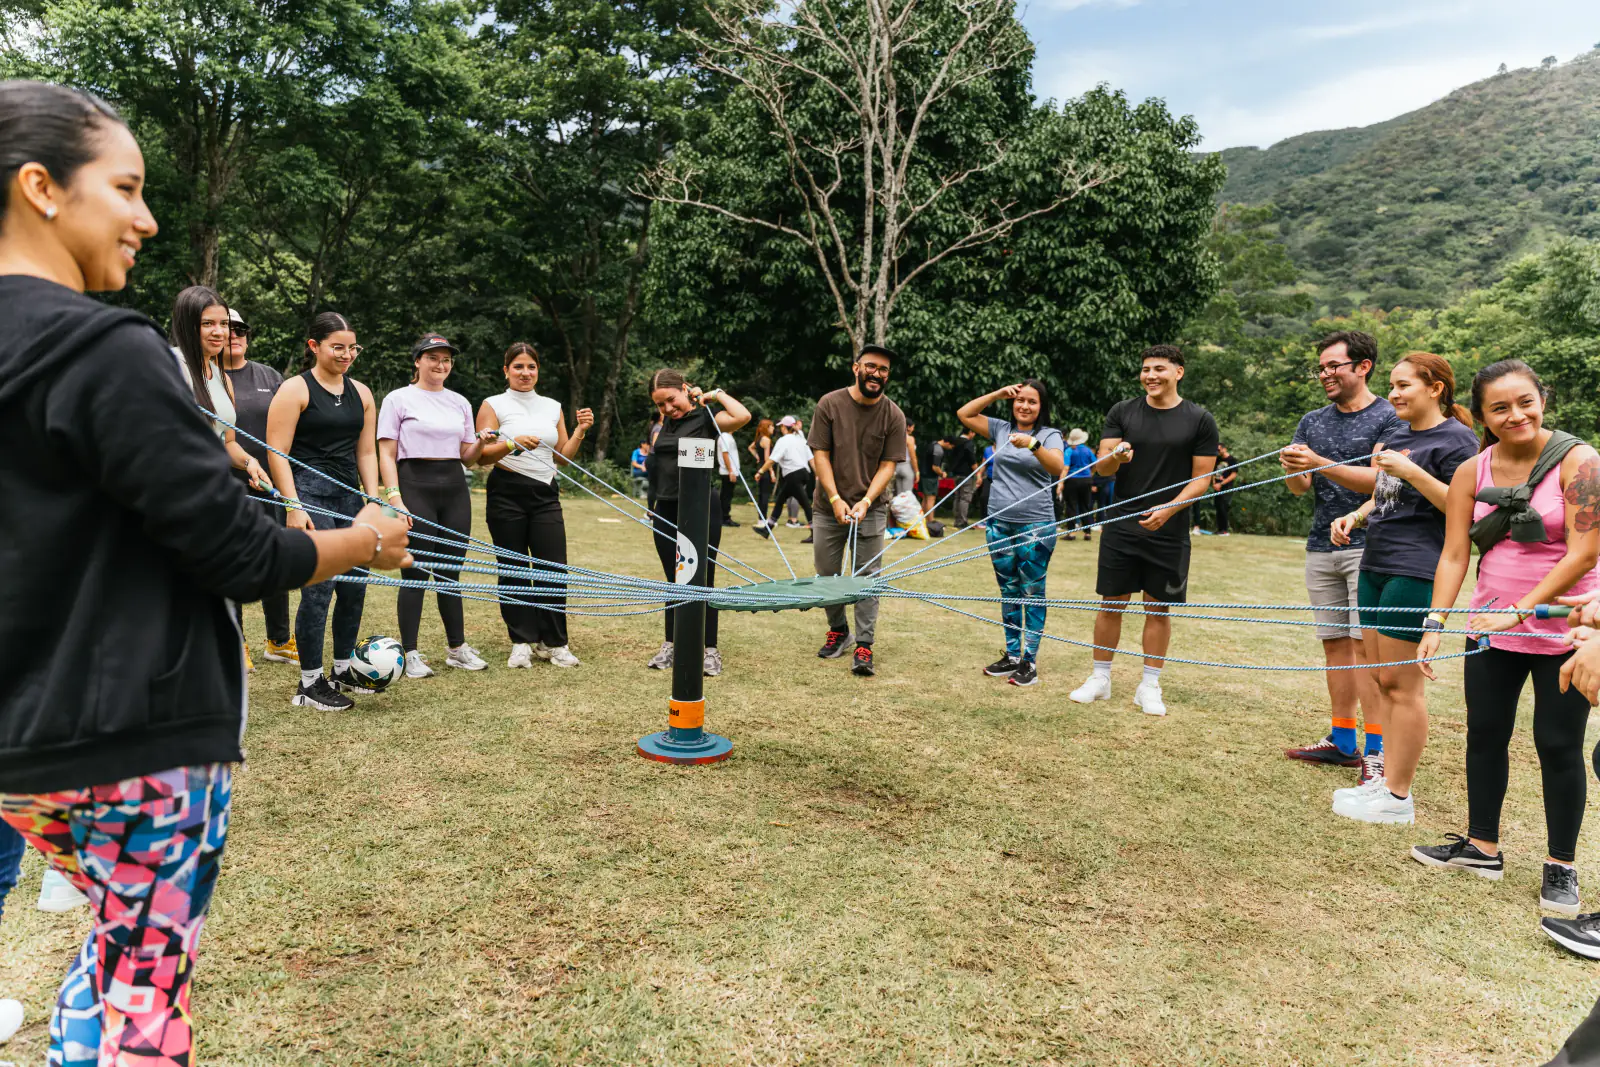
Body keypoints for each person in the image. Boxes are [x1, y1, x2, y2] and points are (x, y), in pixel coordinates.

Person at [0, 79, 410, 1066]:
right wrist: (365, 540)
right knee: (145, 997)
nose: (146, 218)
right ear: (41, 188)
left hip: (22, 749)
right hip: (130, 745)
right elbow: (237, 551)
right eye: (128, 187)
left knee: (113, 947)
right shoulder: (105, 347)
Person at [1409, 361, 1599, 914]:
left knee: (1558, 745)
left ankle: (1561, 866)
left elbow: (1586, 553)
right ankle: (1482, 845)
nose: (1515, 415)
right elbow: (1454, 553)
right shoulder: (1473, 469)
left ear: (1544, 399)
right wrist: (1435, 622)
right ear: (1484, 415)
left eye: (1525, 402)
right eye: (1500, 407)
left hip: (1566, 626)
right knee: (1485, 733)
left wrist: (1521, 611)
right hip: (1489, 626)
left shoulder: (1579, 462)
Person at [1327, 352, 1478, 825]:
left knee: (1402, 684)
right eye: (1391, 386)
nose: (1393, 394)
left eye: (1404, 385)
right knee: (1379, 678)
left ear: (1435, 388)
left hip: (1415, 569)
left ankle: (1399, 796)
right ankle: (1384, 783)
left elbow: (1464, 508)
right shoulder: (1395, 433)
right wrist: (1356, 514)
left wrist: (1412, 471)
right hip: (1376, 562)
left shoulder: (1459, 440)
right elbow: (1385, 493)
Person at [1068, 345, 1219, 717]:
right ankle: (1100, 678)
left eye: (1159, 369)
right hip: (1121, 522)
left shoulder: (1199, 419)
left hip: (1170, 526)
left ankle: (1149, 685)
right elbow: (1101, 469)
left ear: (1178, 372)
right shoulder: (1123, 411)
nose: (1150, 375)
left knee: (1158, 607)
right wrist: (1114, 458)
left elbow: (1203, 478)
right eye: (1146, 369)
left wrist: (1168, 510)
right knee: (1111, 603)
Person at [1280, 331, 1399, 779]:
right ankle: (1343, 740)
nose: (1325, 374)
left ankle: (1376, 751)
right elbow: (1301, 487)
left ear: (1363, 366)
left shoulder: (1389, 418)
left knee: (1363, 648)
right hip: (1319, 545)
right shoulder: (1313, 420)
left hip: (1369, 544)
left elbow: (1381, 483)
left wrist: (1316, 461)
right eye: (1322, 368)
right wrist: (1295, 470)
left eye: (1334, 366)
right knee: (1334, 646)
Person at [266, 311, 383, 711]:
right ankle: (309, 683)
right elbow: (276, 452)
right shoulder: (294, 390)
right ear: (314, 346)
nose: (347, 354)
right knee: (319, 590)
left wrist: (373, 499)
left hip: (351, 498)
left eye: (352, 347)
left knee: (354, 586)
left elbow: (366, 451)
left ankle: (343, 667)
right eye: (338, 347)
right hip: (311, 497)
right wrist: (292, 506)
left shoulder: (363, 394)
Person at [377, 333, 489, 678]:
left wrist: (482, 443)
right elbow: (385, 452)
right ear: (417, 361)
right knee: (415, 572)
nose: (441, 365)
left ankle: (456, 648)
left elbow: (467, 458)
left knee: (450, 572)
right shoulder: (398, 399)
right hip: (414, 486)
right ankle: (409, 653)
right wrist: (394, 497)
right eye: (433, 358)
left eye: (446, 360)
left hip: (454, 488)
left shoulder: (459, 402)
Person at [476, 342, 592, 670]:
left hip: (545, 493)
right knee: (513, 570)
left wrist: (581, 430)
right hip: (506, 491)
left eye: (531, 367)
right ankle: (521, 642)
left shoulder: (552, 406)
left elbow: (562, 458)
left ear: (538, 370)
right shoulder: (493, 405)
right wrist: (510, 444)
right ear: (506, 371)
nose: (525, 373)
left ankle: (554, 643)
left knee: (553, 569)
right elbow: (481, 456)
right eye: (518, 367)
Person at [958, 381, 1066, 687]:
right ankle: (1012, 655)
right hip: (998, 523)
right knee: (1008, 590)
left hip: (1036, 525)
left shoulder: (1049, 435)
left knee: (1031, 592)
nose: (1025, 406)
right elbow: (964, 414)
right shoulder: (1000, 429)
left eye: (1032, 402)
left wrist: (1032, 445)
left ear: (1041, 406)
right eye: (1020, 400)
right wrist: (996, 394)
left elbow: (1057, 466)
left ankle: (1030, 661)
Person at [810, 344, 908, 677]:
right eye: (871, 366)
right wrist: (836, 498)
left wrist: (866, 501)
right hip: (828, 507)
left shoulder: (894, 414)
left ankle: (864, 644)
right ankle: (839, 630)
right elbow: (820, 455)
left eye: (883, 370)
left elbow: (888, 464)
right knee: (826, 575)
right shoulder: (830, 404)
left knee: (867, 579)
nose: (877, 374)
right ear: (856, 368)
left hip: (872, 508)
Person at [644, 371, 750, 675]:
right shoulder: (664, 425)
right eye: (660, 404)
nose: (666, 408)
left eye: (671, 399)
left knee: (703, 577)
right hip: (665, 508)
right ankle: (671, 645)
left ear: (684, 390)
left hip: (702, 506)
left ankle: (709, 650)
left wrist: (713, 395)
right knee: (673, 580)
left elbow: (742, 416)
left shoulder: (706, 419)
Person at [221, 305, 297, 667]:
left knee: (273, 556)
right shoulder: (206, 378)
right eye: (227, 329)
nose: (235, 335)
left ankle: (279, 640)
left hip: (270, 484)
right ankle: (236, 643)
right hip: (224, 484)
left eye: (241, 330)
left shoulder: (269, 375)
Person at [755, 416, 814, 535]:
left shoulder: (783, 441)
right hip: (803, 473)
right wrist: (817, 474)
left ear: (784, 427)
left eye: (781, 426)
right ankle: (768, 529)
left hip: (793, 474)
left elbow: (772, 459)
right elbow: (811, 459)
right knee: (781, 499)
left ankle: (815, 532)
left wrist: (760, 471)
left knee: (805, 503)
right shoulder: (801, 440)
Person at [1061, 428, 1096, 541]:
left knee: (1071, 506)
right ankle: (1087, 532)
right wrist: (1090, 473)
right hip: (1086, 480)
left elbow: (1066, 468)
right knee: (1086, 506)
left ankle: (1072, 533)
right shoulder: (1088, 450)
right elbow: (1095, 463)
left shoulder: (1069, 450)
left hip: (1072, 480)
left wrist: (1060, 483)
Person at [945, 427, 979, 527]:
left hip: (955, 473)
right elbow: (971, 459)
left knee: (958, 497)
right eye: (974, 433)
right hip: (966, 474)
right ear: (970, 432)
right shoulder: (968, 443)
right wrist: (977, 471)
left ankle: (957, 519)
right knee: (965, 498)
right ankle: (963, 521)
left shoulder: (955, 442)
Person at [747, 418, 775, 528]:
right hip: (765, 468)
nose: (773, 428)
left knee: (761, 494)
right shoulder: (766, 440)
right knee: (765, 495)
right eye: (771, 426)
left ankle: (761, 518)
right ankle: (763, 519)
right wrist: (772, 472)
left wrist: (758, 457)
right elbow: (768, 459)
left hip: (760, 466)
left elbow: (751, 448)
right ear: (766, 427)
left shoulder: (759, 439)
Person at [717, 426, 742, 527]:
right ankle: (724, 518)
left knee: (728, 495)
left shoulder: (729, 436)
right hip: (727, 472)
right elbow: (725, 454)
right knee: (726, 496)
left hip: (732, 471)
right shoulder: (724, 437)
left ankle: (725, 516)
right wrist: (730, 470)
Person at [918, 430, 942, 517]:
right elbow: (935, 467)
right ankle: (930, 521)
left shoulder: (928, 446)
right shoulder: (937, 448)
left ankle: (921, 519)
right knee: (930, 499)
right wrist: (942, 474)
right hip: (930, 477)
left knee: (925, 498)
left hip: (924, 474)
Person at [895, 418, 919, 499]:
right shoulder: (910, 439)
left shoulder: (894, 437)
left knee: (898, 494)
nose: (913, 429)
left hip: (896, 467)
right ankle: (905, 511)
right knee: (907, 495)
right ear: (908, 427)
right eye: (913, 427)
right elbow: (913, 457)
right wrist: (916, 471)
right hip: (907, 466)